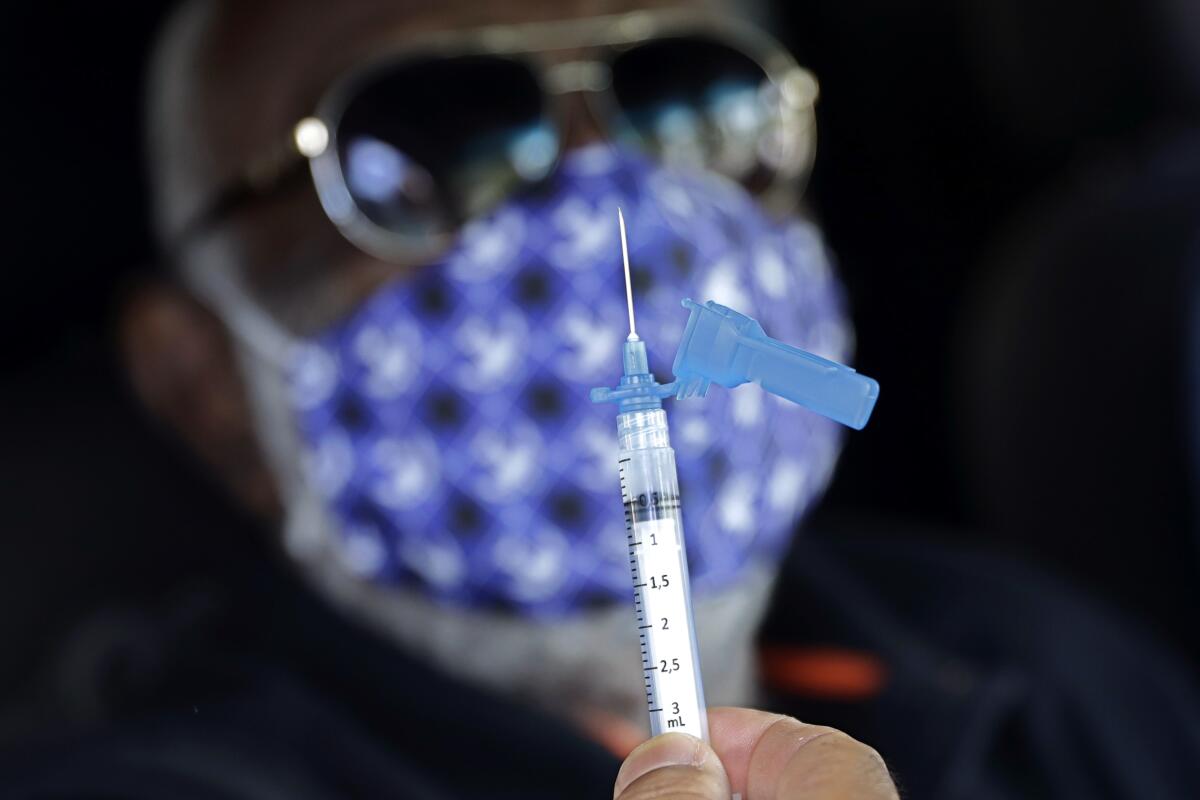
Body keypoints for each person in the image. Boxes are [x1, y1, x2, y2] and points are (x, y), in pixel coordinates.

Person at [0, 0, 1197, 797]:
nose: (608, 205)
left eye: (689, 102)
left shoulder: (1036, 665)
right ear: (195, 377)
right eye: (428, 147)